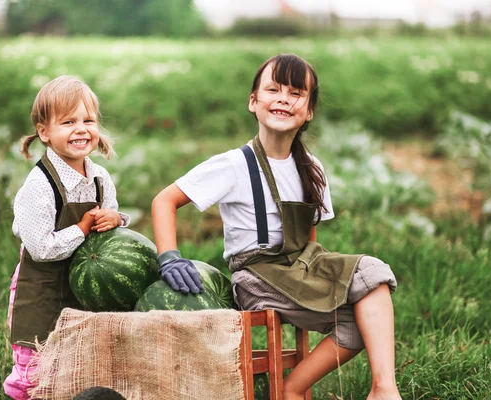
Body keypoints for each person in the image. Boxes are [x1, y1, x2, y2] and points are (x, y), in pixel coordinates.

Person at [152, 54, 401, 399]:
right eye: (273, 89)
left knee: (374, 285)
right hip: (256, 275)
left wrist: (318, 274)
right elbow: (165, 200)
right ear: (253, 101)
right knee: (366, 297)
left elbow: (309, 240)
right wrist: (169, 256)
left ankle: (354, 389)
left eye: (296, 93)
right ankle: (330, 390)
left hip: (299, 266)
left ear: (309, 110)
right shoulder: (233, 165)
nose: (283, 98)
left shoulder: (311, 167)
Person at [4, 76, 130, 400]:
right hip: (42, 288)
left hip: (82, 285)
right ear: (44, 132)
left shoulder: (100, 178)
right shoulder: (39, 186)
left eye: (88, 120)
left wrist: (115, 219)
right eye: (68, 121)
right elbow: (42, 248)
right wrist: (83, 228)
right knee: (34, 367)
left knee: (75, 362)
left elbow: (110, 227)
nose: (81, 129)